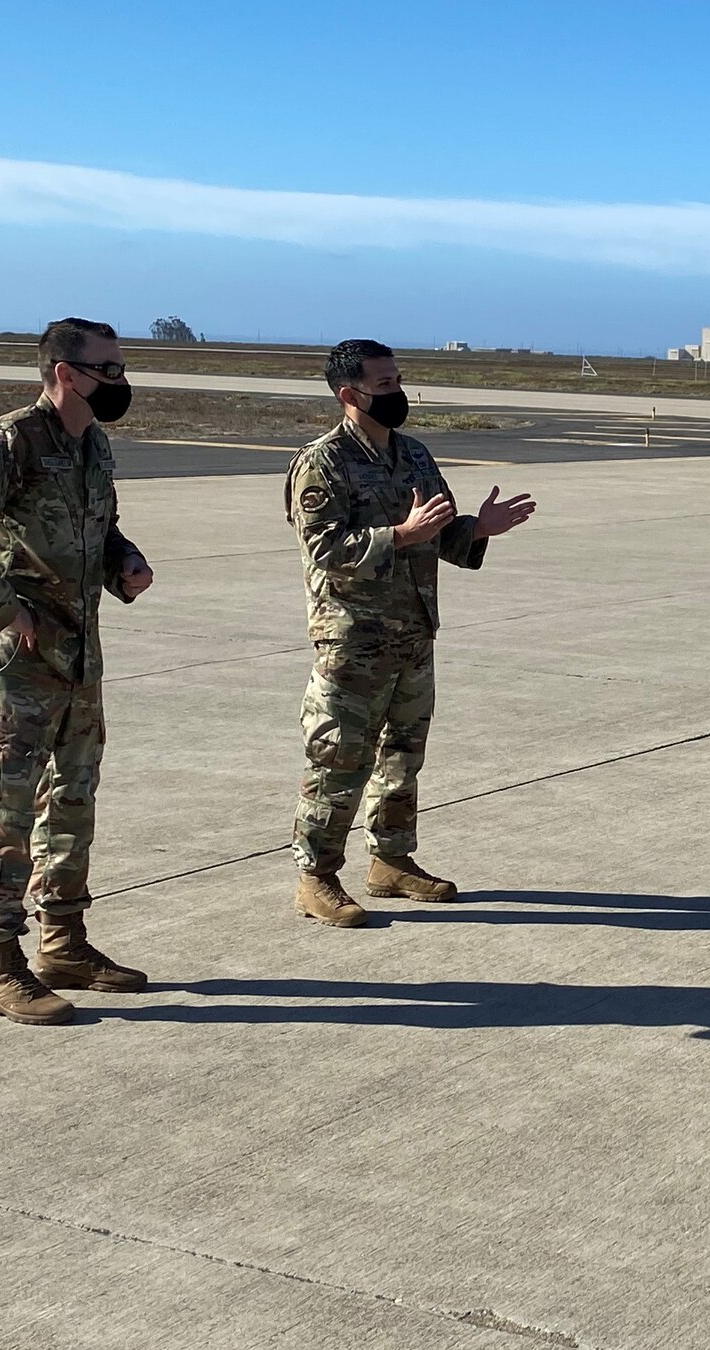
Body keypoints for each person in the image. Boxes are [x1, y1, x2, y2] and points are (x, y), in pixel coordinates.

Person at [0, 318, 154, 1024]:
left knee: (72, 807)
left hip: (78, 661)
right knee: (6, 815)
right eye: (106, 369)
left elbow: (98, 526)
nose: (119, 381)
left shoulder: (94, 445)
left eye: (119, 367)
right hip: (18, 666)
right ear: (64, 371)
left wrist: (124, 563)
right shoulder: (11, 441)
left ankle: (64, 943)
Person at [286, 339, 536, 926]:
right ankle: (316, 877)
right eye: (384, 384)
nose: (397, 393)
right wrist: (399, 534)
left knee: (402, 755)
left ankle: (391, 861)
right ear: (350, 395)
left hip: (412, 631)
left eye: (399, 380)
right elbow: (324, 548)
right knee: (338, 757)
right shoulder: (321, 462)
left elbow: (441, 534)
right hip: (353, 638)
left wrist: (479, 528)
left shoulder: (416, 455)